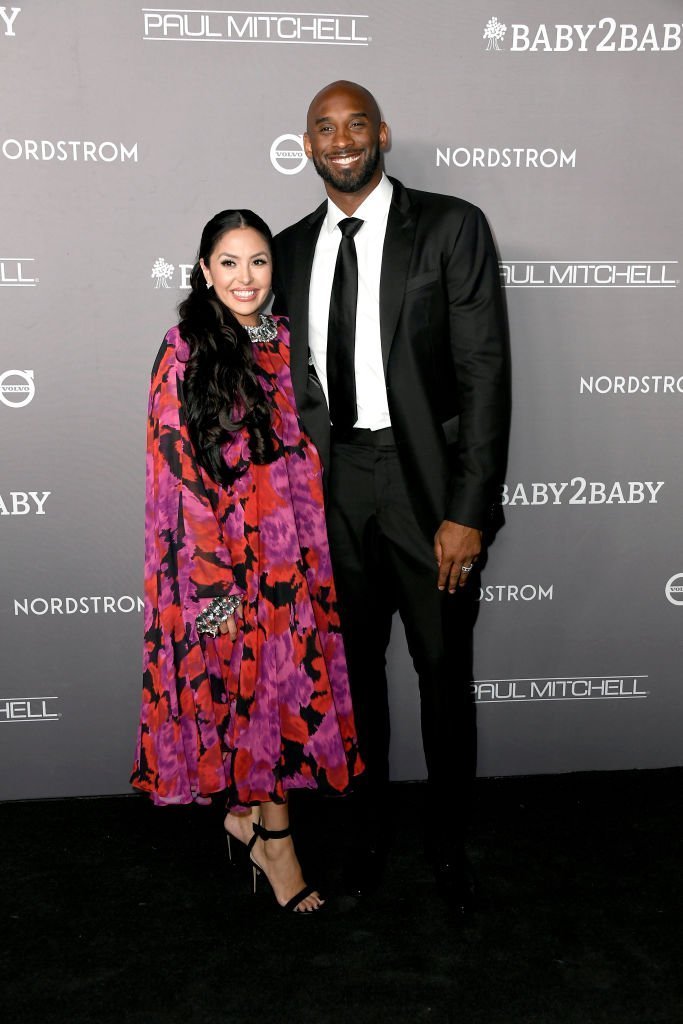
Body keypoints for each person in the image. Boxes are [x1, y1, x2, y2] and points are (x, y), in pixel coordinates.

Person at [272, 82, 510, 913]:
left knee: (443, 674)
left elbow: (484, 374)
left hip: (426, 492)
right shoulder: (290, 248)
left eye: (356, 124)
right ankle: (368, 835)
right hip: (333, 487)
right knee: (354, 680)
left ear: (382, 134)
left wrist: (467, 510)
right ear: (305, 145)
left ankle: (447, 847)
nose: (341, 140)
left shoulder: (449, 226)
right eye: (324, 128)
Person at [131, 209, 363, 914]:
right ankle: (276, 847)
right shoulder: (183, 347)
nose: (243, 277)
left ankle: (250, 822)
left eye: (257, 261)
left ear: (274, 271)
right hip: (224, 566)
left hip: (294, 556)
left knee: (282, 695)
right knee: (250, 696)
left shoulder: (291, 343)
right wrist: (215, 583)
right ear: (203, 272)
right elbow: (173, 473)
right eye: (227, 262)